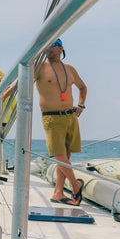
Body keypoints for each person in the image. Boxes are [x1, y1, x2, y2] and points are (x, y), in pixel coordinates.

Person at [35, 38, 87, 206]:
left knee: (66, 155)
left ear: (61, 48)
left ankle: (58, 192)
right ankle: (75, 185)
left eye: (53, 45)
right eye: (47, 45)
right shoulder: (40, 67)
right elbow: (19, 84)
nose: (49, 48)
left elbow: (82, 87)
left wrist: (81, 104)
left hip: (71, 116)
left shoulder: (69, 69)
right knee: (59, 155)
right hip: (52, 117)